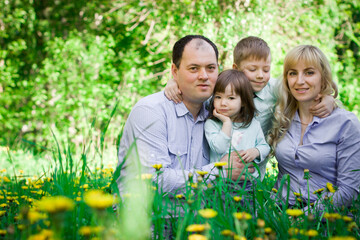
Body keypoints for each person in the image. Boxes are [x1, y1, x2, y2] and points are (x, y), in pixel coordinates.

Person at [165, 36, 336, 180]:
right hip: (220, 165)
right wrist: (173, 82)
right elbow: (200, 87)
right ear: (236, 69)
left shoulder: (275, 90)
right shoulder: (225, 89)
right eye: (253, 69)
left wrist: (328, 98)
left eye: (266, 69)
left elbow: (301, 91)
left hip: (253, 168)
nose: (260, 75)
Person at [116, 35, 249, 195]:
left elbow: (263, 91)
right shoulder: (150, 112)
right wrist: (219, 172)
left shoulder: (218, 111)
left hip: (199, 214)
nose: (204, 76)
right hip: (150, 216)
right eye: (194, 68)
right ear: (174, 71)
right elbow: (155, 181)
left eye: (210, 68)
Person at [268, 45, 360, 211]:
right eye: (293, 73)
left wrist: (304, 216)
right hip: (279, 214)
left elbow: (350, 190)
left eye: (309, 72)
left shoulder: (346, 124)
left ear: (323, 78)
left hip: (327, 219)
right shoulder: (282, 116)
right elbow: (251, 83)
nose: (299, 80)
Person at [204, 69, 270, 187]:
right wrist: (226, 123)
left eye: (231, 98)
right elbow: (219, 148)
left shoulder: (253, 124)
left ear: (243, 101)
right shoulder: (212, 124)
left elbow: (265, 147)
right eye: (218, 97)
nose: (223, 103)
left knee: (248, 205)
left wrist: (255, 151)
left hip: (248, 182)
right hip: (220, 181)